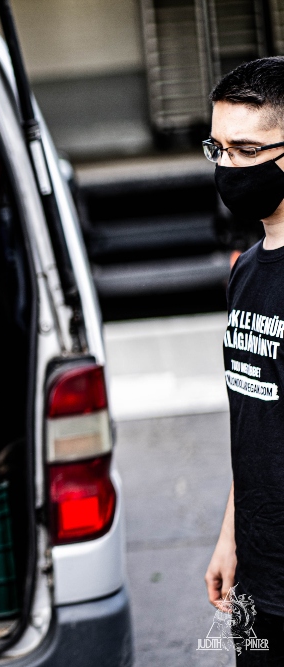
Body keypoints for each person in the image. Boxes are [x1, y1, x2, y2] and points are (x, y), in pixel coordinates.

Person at [205, 56, 284, 664]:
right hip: (259, 576)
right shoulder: (248, 270)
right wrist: (231, 536)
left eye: (246, 150)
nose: (228, 167)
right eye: (219, 148)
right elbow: (252, 412)